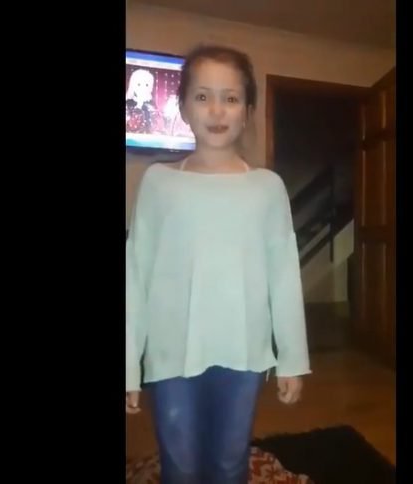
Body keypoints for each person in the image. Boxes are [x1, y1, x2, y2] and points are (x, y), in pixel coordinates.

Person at [125, 45, 311, 484]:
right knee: (181, 465)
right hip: (171, 353)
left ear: (247, 112)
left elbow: (284, 276)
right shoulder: (158, 183)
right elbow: (136, 274)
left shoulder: (267, 188)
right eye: (203, 96)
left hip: (243, 353)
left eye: (230, 98)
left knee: (229, 464)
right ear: (183, 107)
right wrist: (130, 364)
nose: (216, 110)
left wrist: (292, 358)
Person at [125, 68, 159, 134]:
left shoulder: (151, 105)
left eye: (147, 85)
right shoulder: (128, 104)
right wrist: (138, 106)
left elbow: (156, 125)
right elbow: (130, 124)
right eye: (139, 84)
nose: (143, 88)